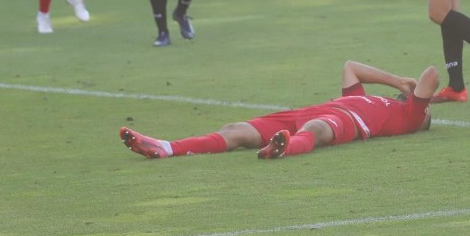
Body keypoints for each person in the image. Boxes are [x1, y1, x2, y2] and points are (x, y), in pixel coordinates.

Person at [120, 60, 437, 159]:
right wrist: (396, 81)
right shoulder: (368, 98)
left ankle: (282, 148)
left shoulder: (409, 118)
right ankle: (165, 147)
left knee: (317, 130)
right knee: (235, 130)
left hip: (345, 123)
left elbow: (432, 74)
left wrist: (413, 97)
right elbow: (350, 67)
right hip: (308, 111)